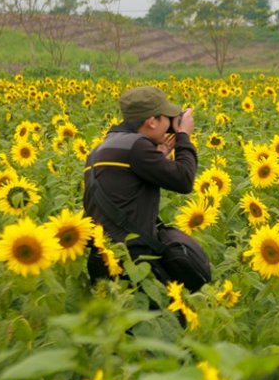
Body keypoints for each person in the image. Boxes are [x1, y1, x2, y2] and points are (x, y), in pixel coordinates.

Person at [84, 85, 201, 285]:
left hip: (103, 259)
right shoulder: (137, 146)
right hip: (131, 262)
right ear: (152, 121)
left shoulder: (102, 148)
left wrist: (159, 157)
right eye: (167, 118)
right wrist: (183, 136)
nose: (169, 126)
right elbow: (184, 180)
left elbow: (124, 187)